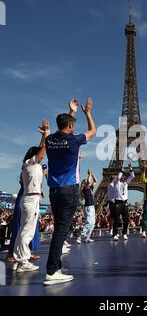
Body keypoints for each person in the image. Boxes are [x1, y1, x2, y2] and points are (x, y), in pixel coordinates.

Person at [43, 98, 96, 285]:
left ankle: (56, 267)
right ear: (71, 127)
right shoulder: (74, 141)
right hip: (68, 191)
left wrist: (70, 114)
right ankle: (51, 271)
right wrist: (87, 113)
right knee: (61, 231)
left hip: (54, 191)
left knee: (59, 228)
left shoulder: (49, 140)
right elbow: (93, 131)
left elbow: (61, 131)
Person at [13, 119, 49, 272]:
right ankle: (22, 261)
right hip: (31, 199)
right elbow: (42, 151)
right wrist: (46, 134)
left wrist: (43, 136)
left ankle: (19, 258)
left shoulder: (28, 165)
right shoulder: (31, 163)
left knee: (23, 230)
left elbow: (40, 149)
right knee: (26, 231)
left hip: (29, 198)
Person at [112, 163, 135, 241]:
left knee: (126, 219)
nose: (123, 177)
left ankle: (124, 233)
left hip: (124, 203)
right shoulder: (116, 182)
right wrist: (121, 170)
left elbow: (132, 176)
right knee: (116, 219)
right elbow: (118, 177)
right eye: (122, 176)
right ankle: (115, 234)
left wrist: (130, 168)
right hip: (118, 202)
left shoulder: (125, 183)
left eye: (124, 176)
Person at [76, 170, 97, 244]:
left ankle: (87, 237)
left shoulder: (90, 188)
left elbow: (95, 180)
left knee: (93, 223)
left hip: (92, 207)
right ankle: (79, 236)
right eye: (85, 182)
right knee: (88, 223)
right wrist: (89, 175)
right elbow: (88, 181)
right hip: (88, 207)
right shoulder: (85, 189)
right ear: (84, 184)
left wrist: (92, 174)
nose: (87, 182)